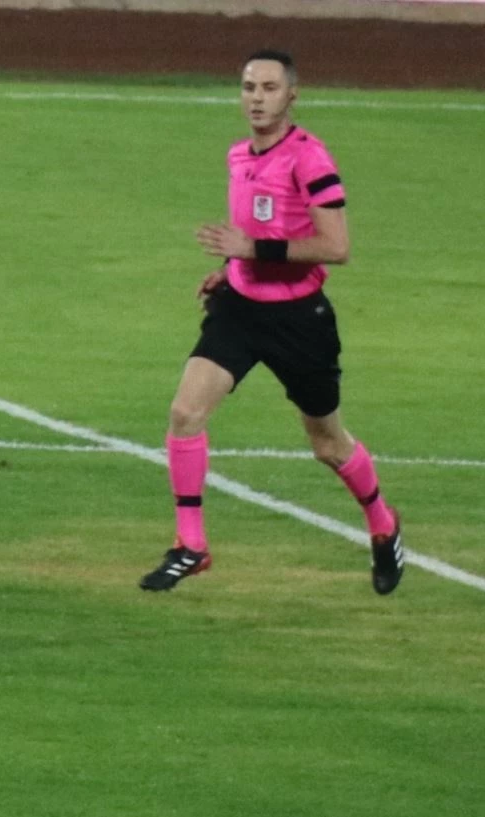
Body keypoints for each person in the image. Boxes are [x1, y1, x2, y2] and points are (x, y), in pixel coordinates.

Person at [140, 49, 404, 595]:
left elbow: (337, 247)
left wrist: (253, 249)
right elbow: (249, 232)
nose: (256, 99)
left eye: (268, 88)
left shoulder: (310, 159)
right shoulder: (238, 155)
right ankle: (191, 545)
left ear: (291, 96)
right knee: (185, 412)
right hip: (240, 309)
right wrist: (229, 267)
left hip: (298, 321)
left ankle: (382, 523)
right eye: (248, 88)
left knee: (328, 444)